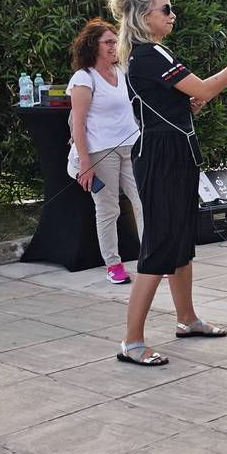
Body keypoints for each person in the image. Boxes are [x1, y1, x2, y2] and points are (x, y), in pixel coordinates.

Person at [107, 0, 227, 366]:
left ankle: (187, 319)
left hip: (174, 152)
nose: (172, 14)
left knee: (180, 240)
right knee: (160, 246)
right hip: (160, 157)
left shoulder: (155, 53)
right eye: (166, 9)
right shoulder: (149, 55)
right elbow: (206, 88)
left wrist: (184, 105)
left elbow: (178, 100)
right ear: (146, 17)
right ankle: (131, 342)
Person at [68, 18, 144, 285]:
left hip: (131, 146)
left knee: (144, 201)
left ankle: (151, 259)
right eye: (108, 42)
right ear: (93, 45)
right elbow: (77, 123)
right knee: (108, 209)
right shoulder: (83, 78)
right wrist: (85, 163)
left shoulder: (122, 71)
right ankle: (113, 265)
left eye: (115, 41)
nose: (114, 46)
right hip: (101, 151)